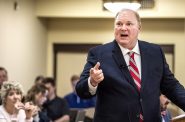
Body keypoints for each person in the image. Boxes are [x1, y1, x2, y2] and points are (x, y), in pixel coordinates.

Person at [75, 9, 185, 122]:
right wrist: (92, 81)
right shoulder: (99, 54)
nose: (123, 28)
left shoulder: (155, 52)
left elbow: (171, 86)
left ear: (139, 28)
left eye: (129, 24)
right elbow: (80, 89)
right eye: (119, 24)